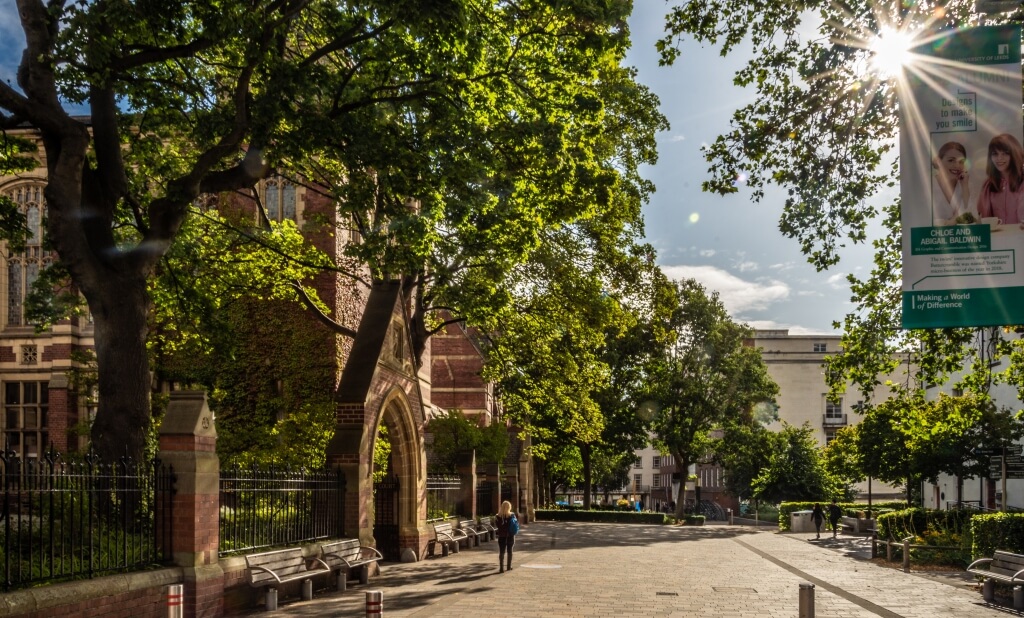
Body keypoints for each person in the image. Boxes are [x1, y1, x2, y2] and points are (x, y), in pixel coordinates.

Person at [977, 133, 1024, 224]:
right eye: (995, 154)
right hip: (996, 233)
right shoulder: (988, 185)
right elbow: (982, 218)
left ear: (1014, 155)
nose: (999, 158)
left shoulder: (1022, 182)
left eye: (1005, 153)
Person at [932, 141, 972, 225]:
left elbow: (968, 215)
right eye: (951, 160)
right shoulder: (928, 185)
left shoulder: (965, 185)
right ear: (939, 161)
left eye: (961, 162)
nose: (957, 166)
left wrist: (965, 186)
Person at [494, 500, 518, 573]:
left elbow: (497, 526)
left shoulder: (497, 516)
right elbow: (516, 524)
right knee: (510, 551)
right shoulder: (512, 515)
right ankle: (508, 566)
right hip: (510, 535)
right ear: (509, 507)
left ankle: (501, 568)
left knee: (501, 552)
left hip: (501, 536)